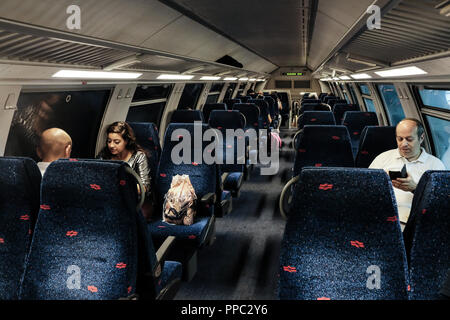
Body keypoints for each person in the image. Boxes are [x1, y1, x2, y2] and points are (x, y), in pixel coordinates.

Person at [369, 118, 446, 230]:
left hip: (416, 222)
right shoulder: (383, 158)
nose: (403, 144)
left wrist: (415, 189)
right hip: (380, 216)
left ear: (421, 138)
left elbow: (441, 201)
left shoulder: (435, 165)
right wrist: (380, 181)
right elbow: (365, 188)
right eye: (400, 139)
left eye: (409, 139)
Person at [96, 121, 151, 200]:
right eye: (109, 141)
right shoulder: (104, 154)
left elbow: (144, 187)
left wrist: (120, 188)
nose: (111, 145)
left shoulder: (139, 156)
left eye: (116, 142)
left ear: (126, 141)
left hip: (133, 198)